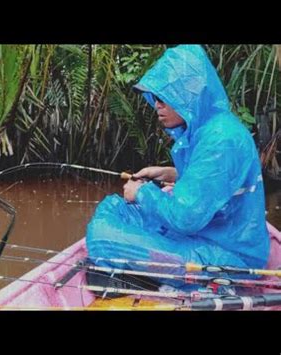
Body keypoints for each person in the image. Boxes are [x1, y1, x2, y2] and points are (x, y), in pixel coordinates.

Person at [86, 45, 270, 278]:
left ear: (187, 96)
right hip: (211, 232)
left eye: (164, 98)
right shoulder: (210, 128)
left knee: (102, 237)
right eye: (155, 98)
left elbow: (185, 218)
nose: (157, 106)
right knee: (114, 208)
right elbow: (214, 181)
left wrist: (142, 192)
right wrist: (171, 173)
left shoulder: (221, 140)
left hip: (229, 256)